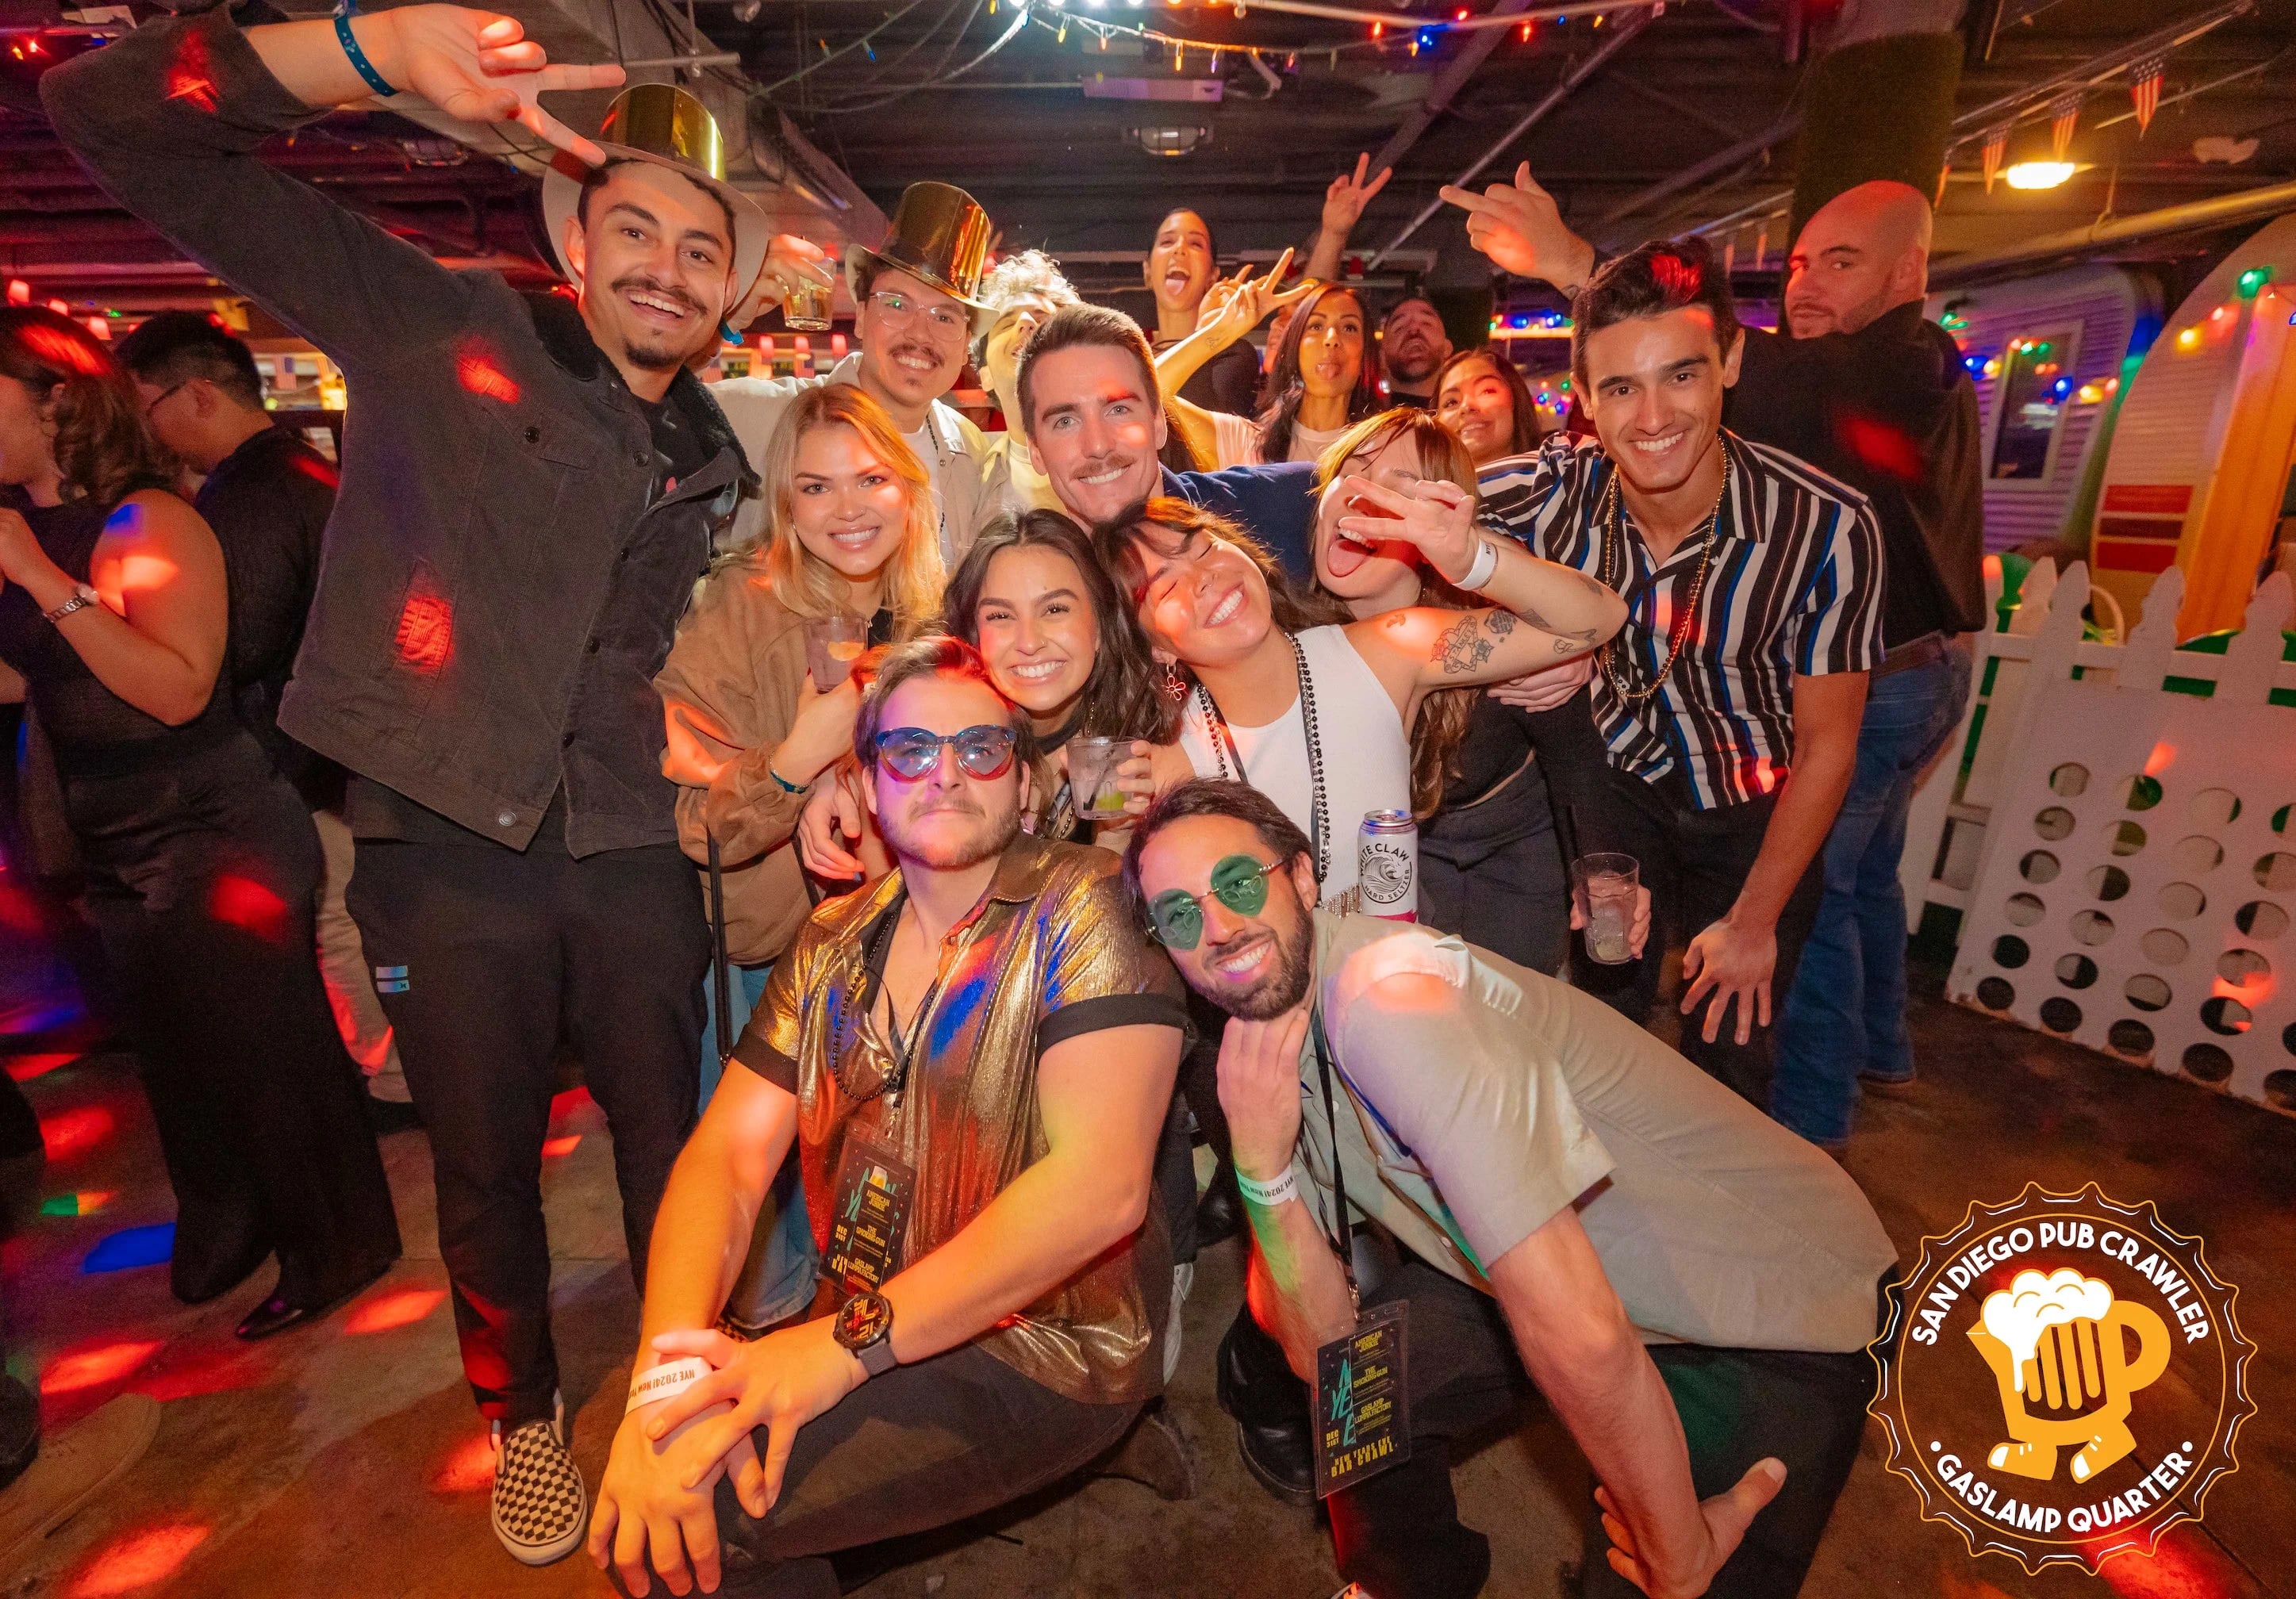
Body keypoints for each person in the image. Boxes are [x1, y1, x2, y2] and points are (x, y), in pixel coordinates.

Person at [45, 18, 832, 1564]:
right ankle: (520, 1409)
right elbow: (111, 117)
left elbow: (678, 644)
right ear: (575, 241)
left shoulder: (708, 451)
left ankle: (675, 1378)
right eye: (637, 231)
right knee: (482, 1160)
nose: (668, 269)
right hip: (447, 842)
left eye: (702, 250)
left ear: (730, 292)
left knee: (672, 1144)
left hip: (634, 848)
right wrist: (370, 47)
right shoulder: (441, 322)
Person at [1126, 779, 1899, 1599]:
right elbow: (1324, 1358)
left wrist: (1676, 1553)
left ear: (1304, 878)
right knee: (1360, 1399)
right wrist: (1261, 1169)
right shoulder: (1260, 1048)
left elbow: (1584, 1334)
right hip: (1525, 1271)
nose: (1218, 927)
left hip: (1762, 1304)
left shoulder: (1391, 1005)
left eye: (1239, 883)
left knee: (1658, 1575)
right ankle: (1403, 1584)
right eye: (1179, 915)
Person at [587, 635, 1188, 1599]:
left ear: (1024, 787)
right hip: (871, 1319)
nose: (945, 773)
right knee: (657, 1455)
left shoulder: (1089, 905)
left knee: (690, 1522)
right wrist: (660, 1379)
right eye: (909, 750)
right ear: (867, 787)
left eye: (980, 748)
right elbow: (727, 1158)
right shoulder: (831, 939)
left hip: (1043, 1344)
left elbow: (1099, 1191)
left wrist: (839, 1345)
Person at [1452, 172, 1978, 1145]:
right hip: (1619, 788)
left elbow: (1827, 748)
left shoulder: (1823, 525)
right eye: (1619, 387)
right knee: (1604, 1011)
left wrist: (1752, 923)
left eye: (1680, 376)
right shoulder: (1549, 493)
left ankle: (1761, 1194)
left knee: (1732, 1044)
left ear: (1730, 362)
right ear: (1584, 399)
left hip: (1750, 801)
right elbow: (1380, 495)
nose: (1651, 416)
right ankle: (1611, 1210)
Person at [0, 306, 401, 1338]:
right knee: (178, 1061)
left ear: (55, 402)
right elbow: (33, 674)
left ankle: (340, 1242)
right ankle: (231, 1216)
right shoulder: (26, 528)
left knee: (270, 1058)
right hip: (113, 835)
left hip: (212, 829)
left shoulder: (150, 524)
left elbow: (179, 690)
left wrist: (43, 582)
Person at [655, 385, 944, 1331]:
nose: (846, 508)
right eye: (815, 487)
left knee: (892, 1225)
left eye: (870, 479)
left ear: (909, 488)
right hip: (777, 967)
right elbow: (697, 823)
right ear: (784, 503)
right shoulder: (739, 609)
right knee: (765, 1251)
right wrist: (792, 766)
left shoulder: (937, 612)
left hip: (911, 963)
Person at [113, 310, 410, 1122]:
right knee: (357, 916)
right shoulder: (303, 473)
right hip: (344, 745)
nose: (144, 430)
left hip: (304, 751)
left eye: (144, 408)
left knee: (341, 920)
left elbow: (232, 645)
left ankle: (392, 1079)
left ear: (197, 395)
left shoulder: (252, 498)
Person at [715, 182, 995, 567]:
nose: (919, 334)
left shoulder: (969, 451)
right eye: (897, 304)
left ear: (965, 347)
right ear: (861, 316)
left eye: (944, 317)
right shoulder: (766, 416)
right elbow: (642, 410)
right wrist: (723, 323)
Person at [1015, 302, 1325, 581]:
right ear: (1036, 451)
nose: (1097, 446)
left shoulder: (1294, 507)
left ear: (1158, 423)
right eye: (1065, 422)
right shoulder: (1038, 598)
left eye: (1118, 410)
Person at [1167, 282, 1384, 469]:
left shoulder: (1385, 453)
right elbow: (1153, 396)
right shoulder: (1244, 442)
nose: (1331, 338)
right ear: (1293, 347)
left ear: (1366, 352)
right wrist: (1219, 332)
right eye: (1316, 326)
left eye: (1349, 328)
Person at [973, 250, 1082, 519]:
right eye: (1005, 324)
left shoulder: (1117, 447)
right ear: (985, 376)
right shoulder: (972, 482)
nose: (1026, 323)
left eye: (1042, 319)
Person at [1141, 208, 1259, 417]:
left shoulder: (1233, 355)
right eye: (1167, 242)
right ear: (1147, 272)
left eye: (1195, 244)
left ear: (1212, 277)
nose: (1179, 249)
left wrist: (1207, 333)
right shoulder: (1127, 355)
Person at [1434, 343, 1545, 466]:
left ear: (1515, 399)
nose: (1466, 406)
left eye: (1487, 391)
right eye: (1451, 402)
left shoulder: (1557, 470)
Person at [1379, 297, 1454, 408]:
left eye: (1427, 323)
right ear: (1382, 356)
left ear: (1447, 348)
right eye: (1399, 327)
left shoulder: (1467, 415)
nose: (1413, 329)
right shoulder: (1364, 418)